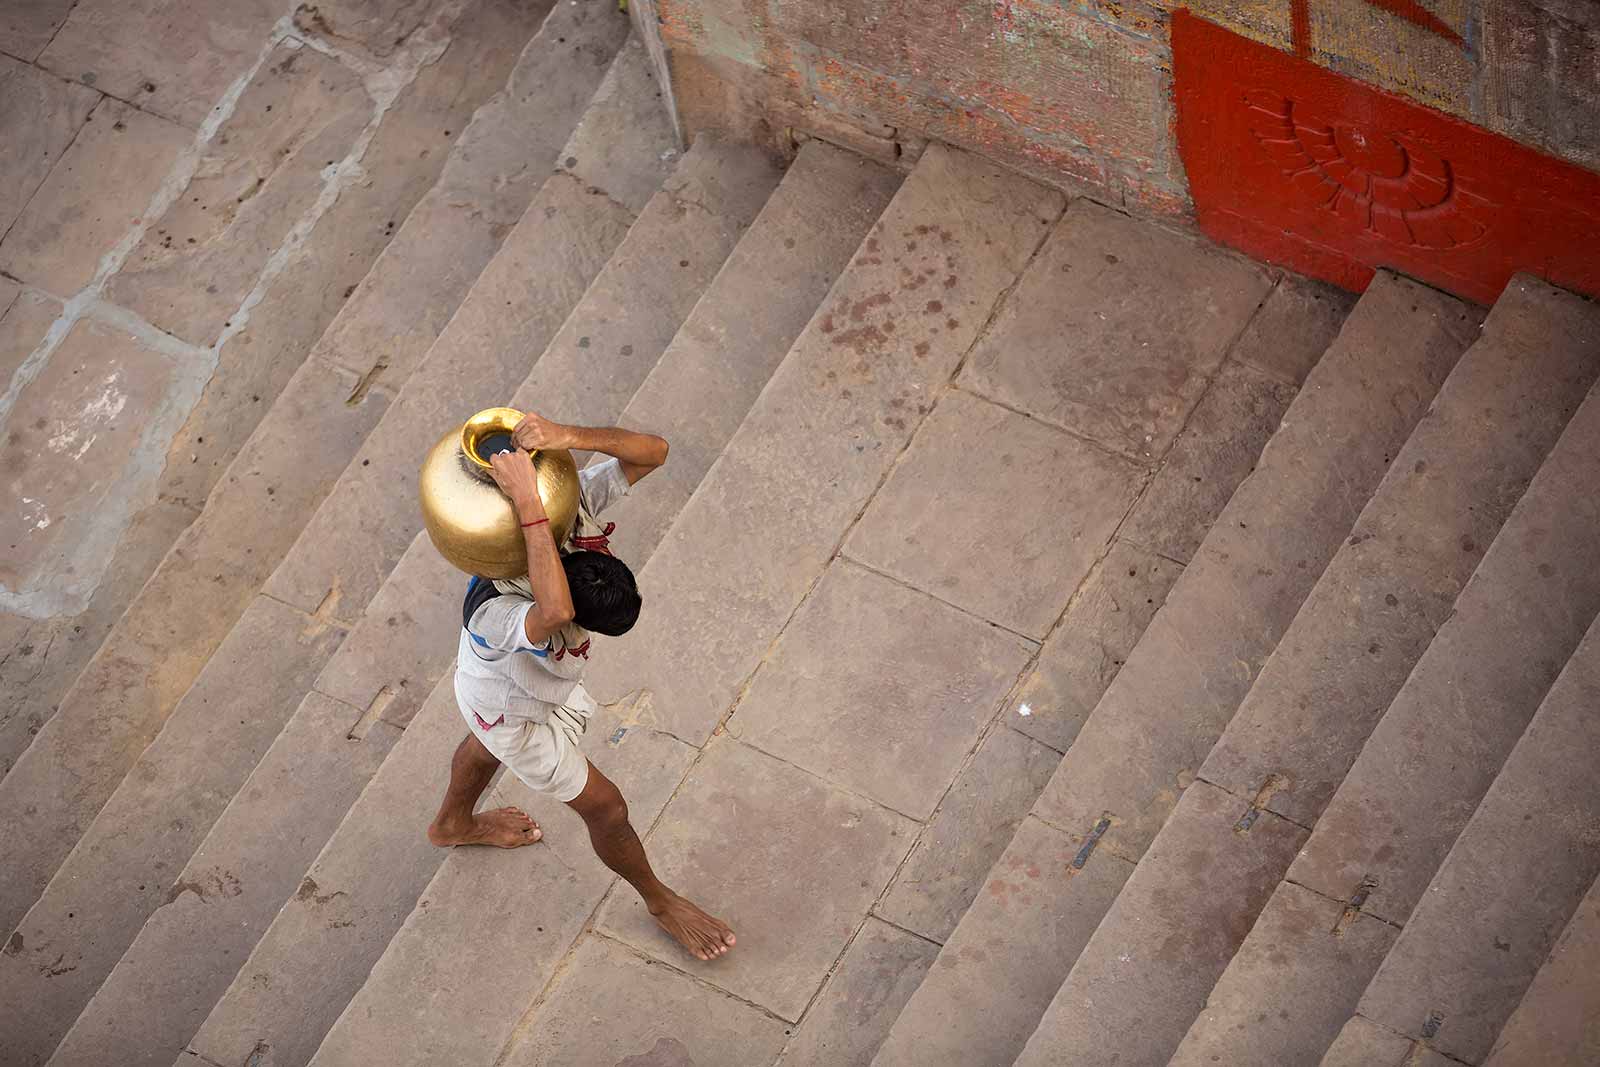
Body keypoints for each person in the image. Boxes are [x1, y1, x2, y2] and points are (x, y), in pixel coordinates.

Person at [426, 411, 735, 963]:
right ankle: (660, 901)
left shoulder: (568, 520)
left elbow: (655, 450)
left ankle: (452, 823)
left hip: (523, 689)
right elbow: (555, 609)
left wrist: (570, 438)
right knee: (607, 808)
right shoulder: (494, 614)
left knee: (483, 740)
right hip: (508, 707)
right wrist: (526, 502)